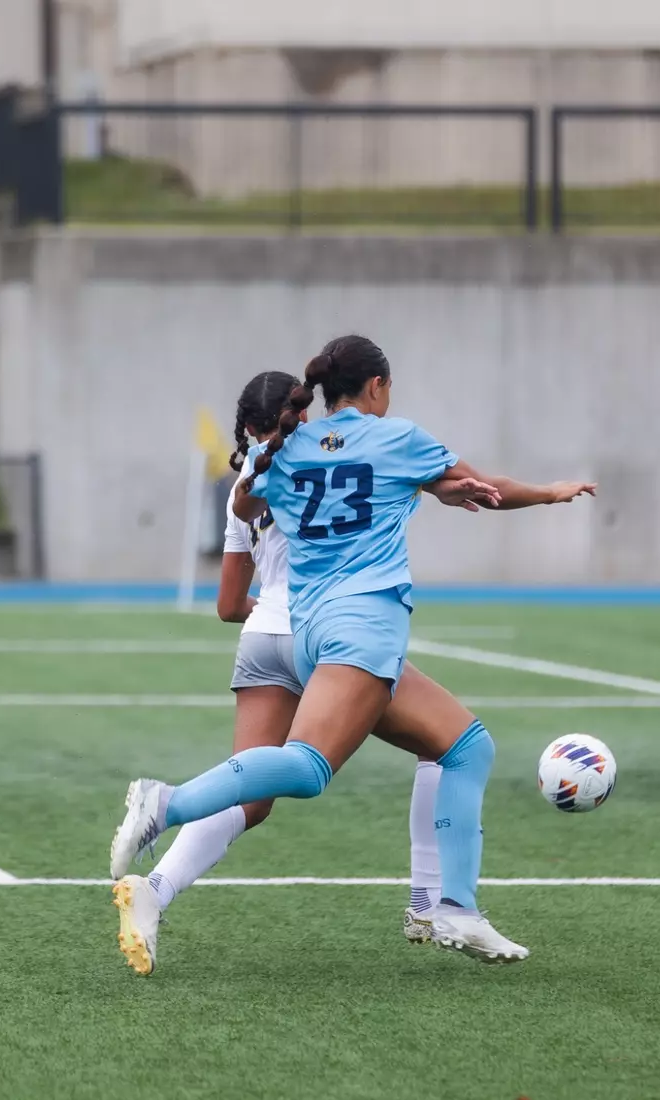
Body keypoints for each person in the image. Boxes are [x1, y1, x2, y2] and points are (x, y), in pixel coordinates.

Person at [110, 343, 595, 974]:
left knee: (466, 746)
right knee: (309, 770)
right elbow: (489, 488)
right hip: (360, 627)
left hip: (304, 631)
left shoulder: (285, 450)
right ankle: (165, 803)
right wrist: (551, 492)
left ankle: (449, 905)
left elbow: (243, 510)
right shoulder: (396, 438)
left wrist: (285, 476)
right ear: (376, 385)